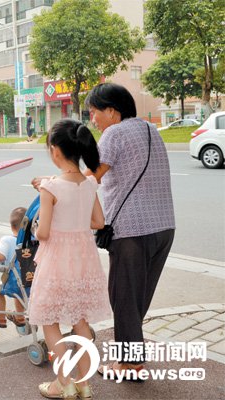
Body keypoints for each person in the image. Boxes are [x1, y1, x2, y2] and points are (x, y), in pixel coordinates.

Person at [84, 83, 175, 377]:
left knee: (123, 298)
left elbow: (91, 177)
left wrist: (55, 186)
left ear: (112, 111)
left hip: (131, 231)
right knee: (137, 299)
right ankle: (132, 354)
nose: (93, 119)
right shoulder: (151, 130)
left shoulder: (114, 133)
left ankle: (129, 363)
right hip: (164, 227)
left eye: (94, 112)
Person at [28, 119, 111, 399]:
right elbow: (98, 222)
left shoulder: (50, 187)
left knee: (49, 321)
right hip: (84, 259)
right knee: (81, 322)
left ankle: (63, 383)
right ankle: (84, 384)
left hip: (56, 261)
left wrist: (39, 222)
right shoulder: (89, 184)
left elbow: (43, 233)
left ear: (55, 150)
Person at [0, 207, 28, 328]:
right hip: (31, 284)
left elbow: (0, 257)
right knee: (21, 287)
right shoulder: (33, 241)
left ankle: (1, 318)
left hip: (14, 285)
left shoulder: (7, 240)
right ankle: (20, 317)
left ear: (11, 226)